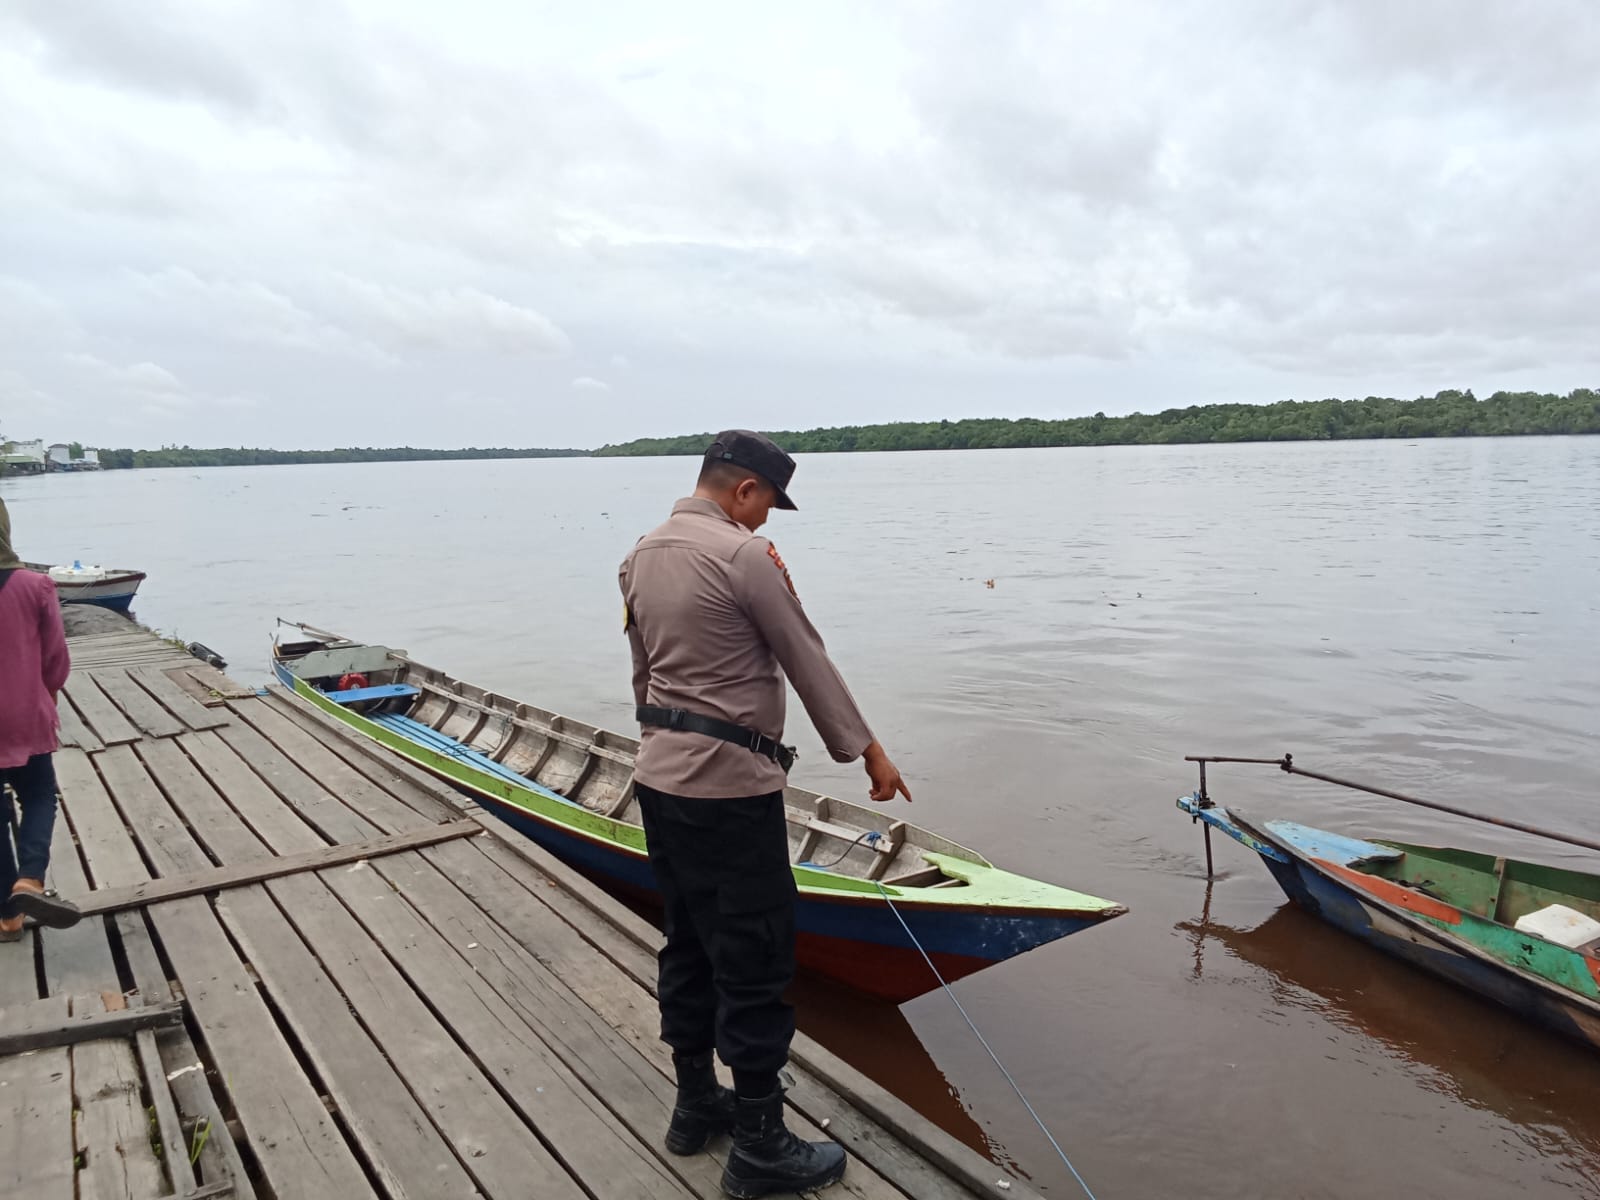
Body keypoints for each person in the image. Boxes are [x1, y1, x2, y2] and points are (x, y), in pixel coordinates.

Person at [619, 430, 911, 1198]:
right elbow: (804, 656)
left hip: (661, 780)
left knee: (687, 942)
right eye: (768, 504)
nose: (767, 520)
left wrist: (664, 745)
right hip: (729, 792)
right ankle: (759, 1145)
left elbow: (644, 673)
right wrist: (867, 752)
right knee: (753, 957)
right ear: (744, 489)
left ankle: (693, 1105)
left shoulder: (642, 552)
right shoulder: (742, 556)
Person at [0, 497, 80, 941]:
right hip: (24, 712)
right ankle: (29, 878)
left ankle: (7, 918)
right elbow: (55, 660)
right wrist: (47, 692)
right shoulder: (35, 587)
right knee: (38, 795)